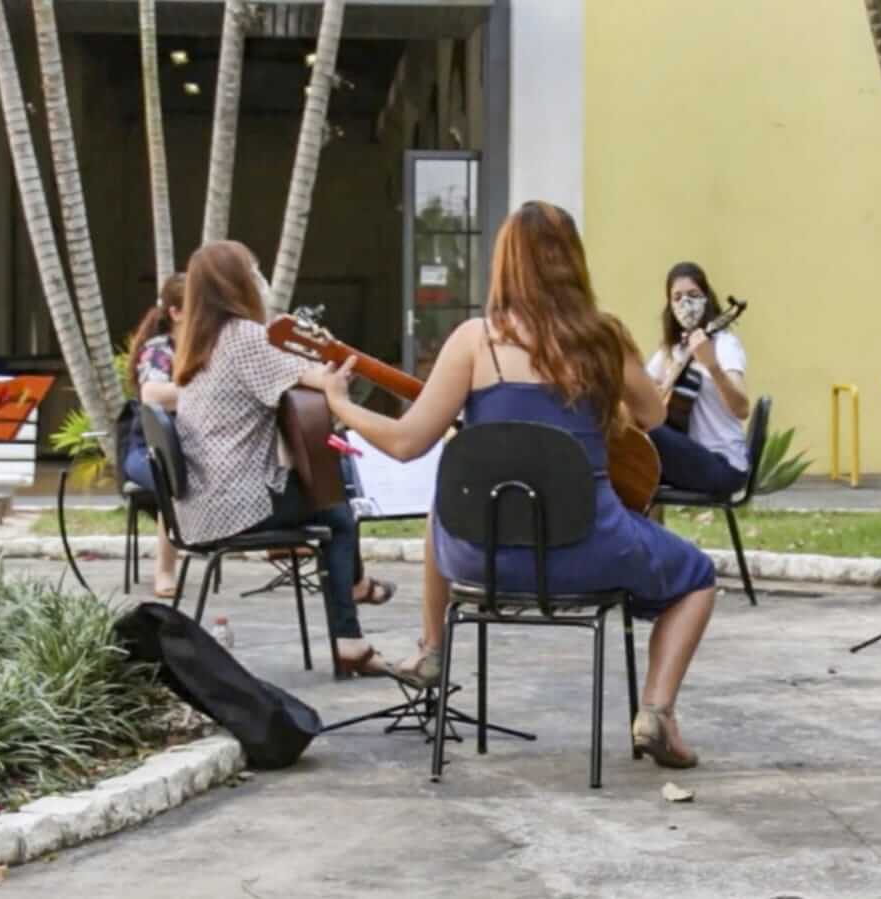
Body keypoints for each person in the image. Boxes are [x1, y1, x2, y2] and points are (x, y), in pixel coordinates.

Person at [321, 201, 717, 768]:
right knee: (698, 577)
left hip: (481, 560)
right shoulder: (605, 338)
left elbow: (408, 442)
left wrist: (341, 404)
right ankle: (656, 712)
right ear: (574, 263)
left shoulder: (472, 341)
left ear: (504, 265)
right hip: (592, 551)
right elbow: (653, 415)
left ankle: (432, 649)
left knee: (446, 503)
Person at [170, 240, 391, 676]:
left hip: (198, 506)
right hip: (237, 503)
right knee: (339, 515)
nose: (260, 280)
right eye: (254, 271)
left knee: (332, 495)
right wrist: (335, 357)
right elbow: (323, 383)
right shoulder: (245, 336)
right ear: (237, 284)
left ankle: (357, 591)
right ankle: (350, 637)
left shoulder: (201, 342)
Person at [645, 262, 751, 497]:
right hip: (689, 459)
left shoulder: (724, 345)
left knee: (648, 435)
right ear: (670, 306)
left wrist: (712, 366)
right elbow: (643, 390)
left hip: (723, 464)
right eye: (678, 297)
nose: (686, 303)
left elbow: (742, 408)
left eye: (694, 295)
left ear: (707, 299)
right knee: (634, 455)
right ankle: (645, 532)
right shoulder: (672, 350)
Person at [123, 273, 186, 598]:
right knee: (170, 476)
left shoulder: (209, 348)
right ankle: (164, 571)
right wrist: (203, 392)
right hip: (146, 450)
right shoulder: (158, 350)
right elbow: (152, 394)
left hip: (191, 447)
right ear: (175, 313)